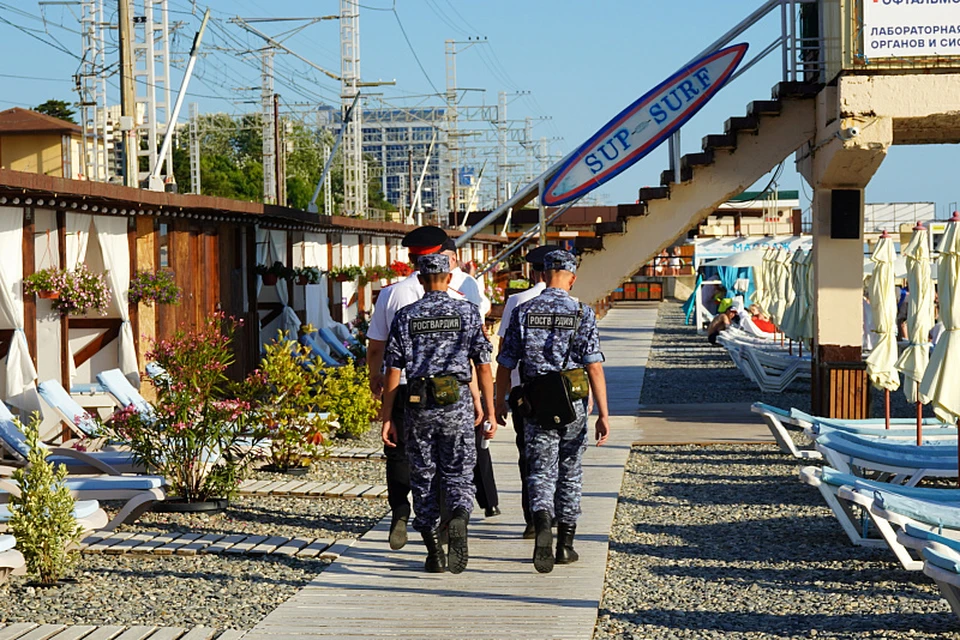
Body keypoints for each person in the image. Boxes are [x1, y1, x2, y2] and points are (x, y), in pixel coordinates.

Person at [494, 249, 610, 574]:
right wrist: (603, 413)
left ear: (544, 275)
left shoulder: (524, 310)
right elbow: (594, 367)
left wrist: (498, 400)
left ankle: (542, 521)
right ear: (572, 278)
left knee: (540, 469)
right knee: (570, 471)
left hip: (536, 401)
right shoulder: (582, 312)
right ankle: (565, 545)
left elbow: (505, 361)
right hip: (572, 402)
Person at [381, 254, 495, 574]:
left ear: (420, 279)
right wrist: (488, 406)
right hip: (456, 401)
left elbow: (393, 370)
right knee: (458, 472)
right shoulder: (468, 312)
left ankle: (433, 551)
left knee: (424, 475)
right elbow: (483, 366)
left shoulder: (406, 316)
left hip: (419, 404)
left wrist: (387, 415)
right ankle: (458, 517)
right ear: (448, 278)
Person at [366, 225, 449, 551]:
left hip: (401, 385)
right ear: (441, 256)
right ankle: (442, 520)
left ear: (412, 258)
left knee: (398, 451)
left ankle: (400, 506)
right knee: (443, 455)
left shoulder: (391, 294)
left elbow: (376, 346)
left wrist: (375, 375)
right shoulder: (458, 294)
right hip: (445, 391)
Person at [495, 244, 560, 538]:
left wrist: (500, 395)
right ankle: (555, 513)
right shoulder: (572, 303)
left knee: (529, 456)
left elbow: (505, 350)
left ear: (533, 271)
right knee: (559, 453)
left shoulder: (518, 302)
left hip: (526, 391)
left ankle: (534, 518)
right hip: (562, 391)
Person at [442, 238, 499, 517]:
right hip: (464, 380)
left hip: (439, 383)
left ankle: (474, 505)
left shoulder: (467, 284)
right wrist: (486, 404)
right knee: (469, 449)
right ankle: (467, 509)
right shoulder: (465, 293)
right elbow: (478, 351)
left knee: (447, 454)